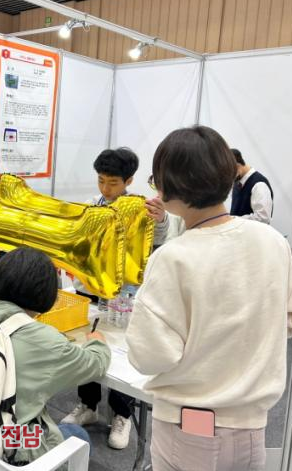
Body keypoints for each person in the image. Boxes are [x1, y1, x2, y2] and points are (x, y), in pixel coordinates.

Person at [126, 126, 292, 471]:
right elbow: (290, 321)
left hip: (188, 426)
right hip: (252, 428)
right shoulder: (272, 242)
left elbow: (150, 355)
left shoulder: (174, 257)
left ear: (167, 186)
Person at [0, 247, 111, 463]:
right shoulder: (45, 340)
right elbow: (96, 364)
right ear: (47, 293)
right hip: (7, 455)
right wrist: (97, 341)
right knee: (78, 434)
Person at [63, 147, 168, 450]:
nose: (105, 189)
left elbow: (160, 239)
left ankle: (122, 414)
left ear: (129, 180)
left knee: (122, 351)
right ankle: (88, 405)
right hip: (89, 290)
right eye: (101, 181)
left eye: (112, 183)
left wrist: (161, 219)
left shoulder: (141, 208)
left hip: (124, 296)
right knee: (87, 345)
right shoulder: (90, 206)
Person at [230, 149, 273, 224]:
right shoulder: (238, 181)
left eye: (228, 173)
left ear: (237, 166)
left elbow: (263, 219)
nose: (228, 178)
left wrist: (234, 220)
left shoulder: (259, 185)